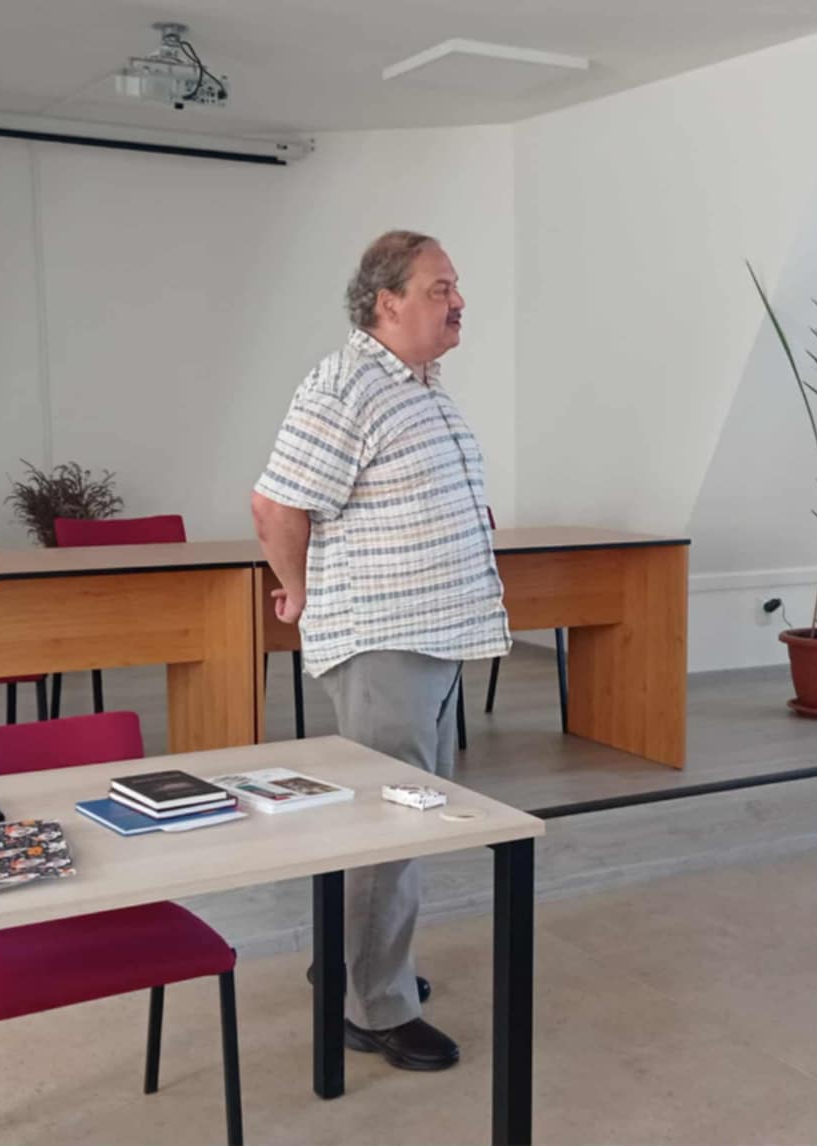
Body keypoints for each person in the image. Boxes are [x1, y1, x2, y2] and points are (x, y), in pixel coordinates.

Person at [250, 230, 511, 1071]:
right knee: (386, 827)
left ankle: (354, 966)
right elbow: (275, 505)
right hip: (384, 640)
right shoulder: (347, 385)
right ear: (385, 303)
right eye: (440, 288)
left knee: (406, 819)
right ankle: (372, 1007)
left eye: (455, 286)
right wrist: (298, 593)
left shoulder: (421, 386)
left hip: (431, 637)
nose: (458, 301)